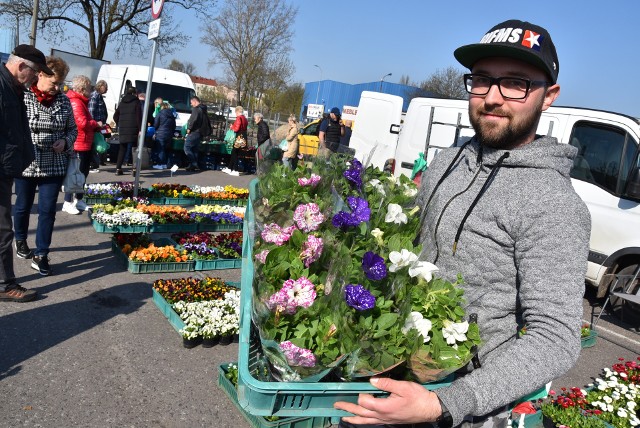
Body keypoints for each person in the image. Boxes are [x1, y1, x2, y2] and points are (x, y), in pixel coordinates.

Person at [334, 19, 591, 427]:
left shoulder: (554, 205)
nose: (492, 98)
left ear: (548, 96)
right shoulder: (449, 159)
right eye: (483, 80)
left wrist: (445, 405)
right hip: (394, 362)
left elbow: (555, 339)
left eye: (516, 84)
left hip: (462, 405)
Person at [15, 56, 77, 276]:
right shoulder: (23, 97)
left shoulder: (64, 101)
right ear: (41, 74)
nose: (57, 88)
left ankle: (42, 254)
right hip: (27, 162)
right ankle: (20, 238)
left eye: (60, 83)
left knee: (48, 210)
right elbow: (15, 128)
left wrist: (66, 142)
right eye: (54, 83)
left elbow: (73, 130)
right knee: (22, 205)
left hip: (54, 163)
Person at [0, 44, 52, 302]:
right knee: (3, 229)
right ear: (21, 66)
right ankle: (4, 285)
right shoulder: (3, 87)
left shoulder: (13, 88)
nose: (36, 78)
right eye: (35, 72)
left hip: (7, 167)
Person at [63, 75, 101, 215]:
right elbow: (82, 123)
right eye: (89, 88)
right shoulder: (76, 102)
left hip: (84, 142)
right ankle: (67, 202)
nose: (91, 91)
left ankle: (78, 200)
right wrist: (95, 124)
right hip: (78, 143)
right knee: (74, 173)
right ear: (82, 89)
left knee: (82, 174)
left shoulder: (82, 101)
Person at [113, 86, 142, 176]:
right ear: (134, 93)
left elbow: (115, 116)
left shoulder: (122, 102)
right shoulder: (136, 102)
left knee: (122, 148)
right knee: (134, 149)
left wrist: (120, 123)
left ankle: (118, 169)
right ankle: (134, 169)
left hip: (123, 128)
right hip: (134, 128)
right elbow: (138, 116)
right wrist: (140, 128)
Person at [184, 96, 208, 172]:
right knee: (194, 149)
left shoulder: (196, 109)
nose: (191, 105)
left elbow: (193, 119)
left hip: (194, 131)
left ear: (195, 101)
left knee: (187, 147)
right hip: (200, 132)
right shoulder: (203, 109)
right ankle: (192, 166)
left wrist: (189, 128)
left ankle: (193, 163)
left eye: (191, 103)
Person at [88, 79, 108, 172]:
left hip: (98, 124)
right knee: (94, 144)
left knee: (96, 144)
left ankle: (93, 164)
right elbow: (91, 111)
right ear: (100, 86)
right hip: (95, 125)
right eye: (105, 87)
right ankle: (92, 164)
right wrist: (95, 124)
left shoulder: (99, 96)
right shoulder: (95, 96)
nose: (106, 89)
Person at [222, 105, 248, 176]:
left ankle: (235, 169)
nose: (235, 114)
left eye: (235, 112)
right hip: (244, 137)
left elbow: (236, 129)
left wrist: (232, 127)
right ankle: (230, 168)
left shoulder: (239, 118)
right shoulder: (245, 119)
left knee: (234, 152)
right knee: (235, 152)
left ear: (237, 111)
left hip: (239, 137)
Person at [152, 100, 176, 170]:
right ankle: (165, 164)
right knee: (166, 149)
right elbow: (174, 126)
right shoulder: (172, 115)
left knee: (160, 149)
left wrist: (156, 130)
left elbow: (156, 124)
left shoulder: (160, 113)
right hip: (169, 134)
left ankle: (160, 164)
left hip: (160, 133)